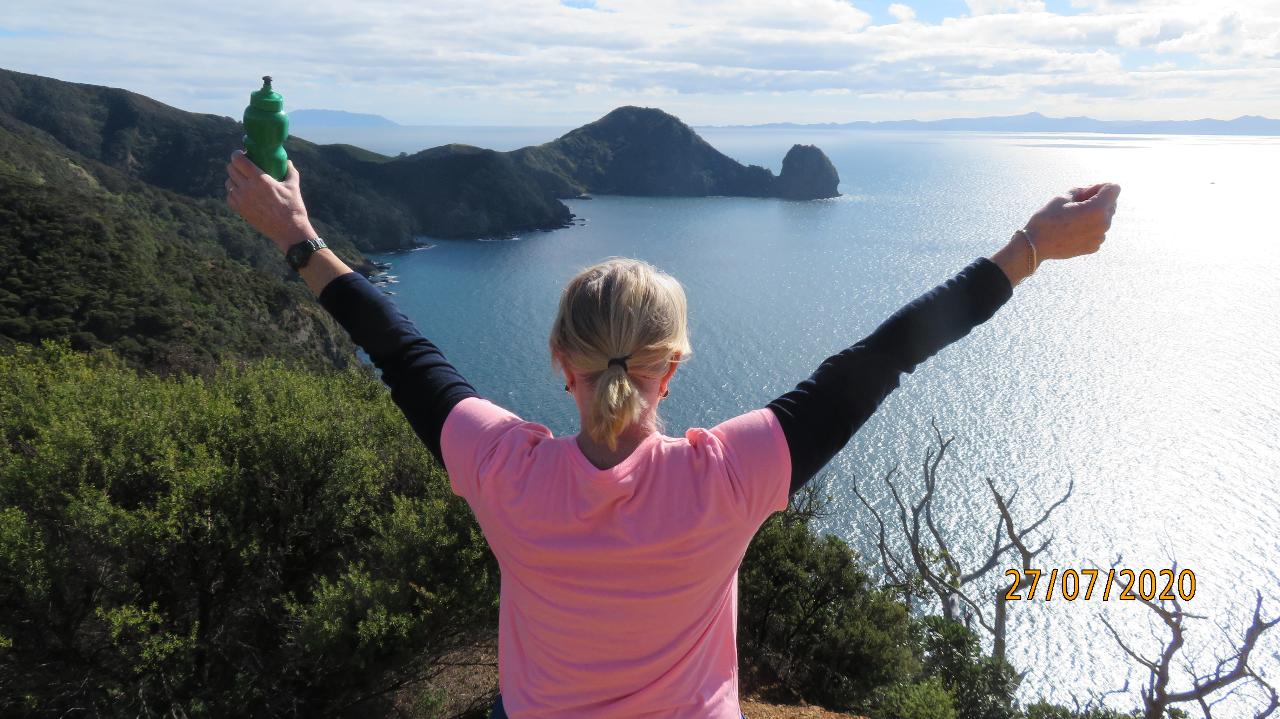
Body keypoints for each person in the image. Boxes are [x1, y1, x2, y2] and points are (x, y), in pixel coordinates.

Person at [225, 150, 1119, 718]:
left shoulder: (502, 470)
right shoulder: (729, 477)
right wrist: (1030, 246)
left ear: (557, 361)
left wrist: (299, 237)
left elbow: (400, 349)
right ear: (674, 367)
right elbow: (880, 358)